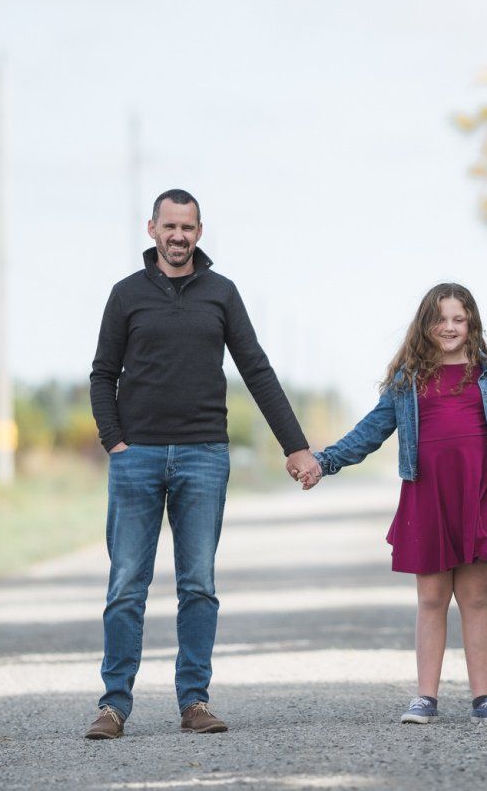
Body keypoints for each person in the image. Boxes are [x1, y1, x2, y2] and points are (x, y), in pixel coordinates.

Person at [83, 189, 321, 739]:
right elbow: (102, 374)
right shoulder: (125, 296)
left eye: (188, 227)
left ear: (199, 231)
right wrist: (114, 441)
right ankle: (113, 706)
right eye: (170, 226)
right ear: (152, 229)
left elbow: (257, 371)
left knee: (198, 584)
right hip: (135, 457)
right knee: (126, 586)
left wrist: (296, 446)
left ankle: (194, 702)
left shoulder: (222, 294)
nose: (178, 236)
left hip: (204, 456)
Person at [303, 282, 487, 726]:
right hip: (427, 495)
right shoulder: (408, 381)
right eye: (440, 319)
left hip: (478, 493)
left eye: (458, 318)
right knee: (431, 598)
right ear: (425, 325)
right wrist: (324, 462)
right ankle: (425, 698)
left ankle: (483, 698)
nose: (449, 327)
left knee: (475, 599)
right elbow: (369, 432)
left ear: (471, 321)